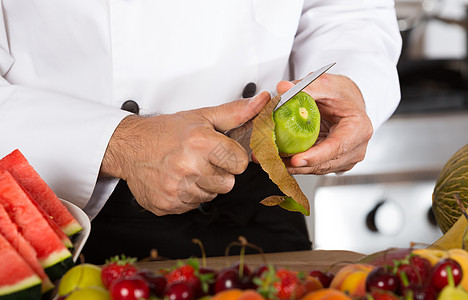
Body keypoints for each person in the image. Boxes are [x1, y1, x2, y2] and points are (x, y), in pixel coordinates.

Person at [0, 1, 402, 263]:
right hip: (66, 216)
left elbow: (347, 12)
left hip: (256, 204)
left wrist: (352, 81)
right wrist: (120, 143)